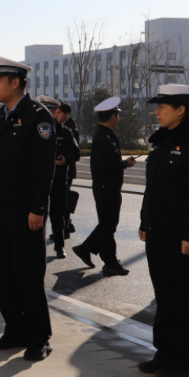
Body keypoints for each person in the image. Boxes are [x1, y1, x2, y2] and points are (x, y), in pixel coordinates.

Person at [136, 85, 189, 377]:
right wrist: (146, 222)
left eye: (162, 107)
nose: (156, 112)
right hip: (158, 233)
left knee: (186, 299)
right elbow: (153, 190)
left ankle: (183, 361)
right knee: (165, 296)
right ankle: (164, 351)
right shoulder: (161, 142)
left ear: (181, 109)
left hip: (182, 238)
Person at [0, 57, 56, 361]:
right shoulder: (0, 116)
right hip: (1, 209)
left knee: (29, 275)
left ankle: (39, 337)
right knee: (5, 275)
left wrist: (38, 208)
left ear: (15, 83)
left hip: (26, 212)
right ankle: (15, 330)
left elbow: (44, 168)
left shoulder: (38, 116)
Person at [73, 97, 137, 275]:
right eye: (118, 115)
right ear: (112, 116)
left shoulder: (106, 134)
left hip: (108, 186)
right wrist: (125, 164)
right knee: (108, 224)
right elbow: (105, 165)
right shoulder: (103, 136)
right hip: (105, 187)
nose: (118, 118)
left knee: (108, 223)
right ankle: (109, 261)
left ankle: (86, 248)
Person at [37, 95, 79, 259]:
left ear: (55, 113)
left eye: (50, 111)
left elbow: (76, 153)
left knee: (58, 214)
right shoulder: (34, 130)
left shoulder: (65, 132)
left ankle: (59, 246)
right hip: (38, 181)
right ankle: (36, 247)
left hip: (58, 179)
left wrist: (65, 159)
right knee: (37, 213)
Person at [58, 101, 79, 235]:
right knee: (61, 200)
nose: (56, 115)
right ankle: (67, 224)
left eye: (59, 113)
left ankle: (64, 227)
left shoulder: (71, 130)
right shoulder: (56, 127)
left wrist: (66, 160)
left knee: (64, 200)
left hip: (68, 170)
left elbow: (75, 153)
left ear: (67, 114)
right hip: (60, 170)